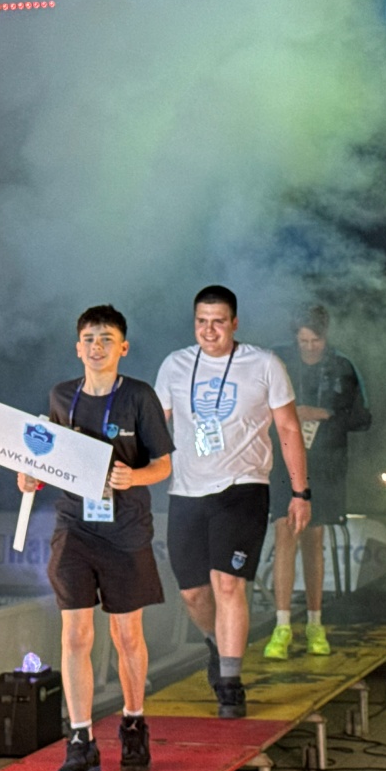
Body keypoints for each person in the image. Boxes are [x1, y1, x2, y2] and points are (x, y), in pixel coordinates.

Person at [17, 305, 174, 771]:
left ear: (123, 347)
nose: (97, 346)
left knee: (126, 635)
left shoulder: (139, 396)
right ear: (77, 347)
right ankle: (80, 739)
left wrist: (135, 476)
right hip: (75, 527)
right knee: (75, 634)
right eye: (88, 338)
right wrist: (30, 476)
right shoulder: (61, 396)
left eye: (106, 339)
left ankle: (133, 723)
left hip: (125, 529)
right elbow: (49, 457)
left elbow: (164, 465)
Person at [155, 285, 310, 718]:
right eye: (202, 322)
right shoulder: (175, 364)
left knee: (228, 583)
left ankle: (230, 682)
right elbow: (151, 425)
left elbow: (289, 429)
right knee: (192, 593)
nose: (209, 330)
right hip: (186, 490)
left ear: (234, 323)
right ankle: (216, 644)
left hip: (243, 488)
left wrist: (300, 492)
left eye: (218, 322)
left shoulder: (263, 364)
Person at [263, 305, 371, 660]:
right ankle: (282, 625)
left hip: (325, 465)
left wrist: (324, 414)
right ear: (295, 338)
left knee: (314, 537)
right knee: (284, 531)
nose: (310, 347)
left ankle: (314, 622)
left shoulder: (342, 367)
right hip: (283, 463)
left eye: (316, 341)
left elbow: (363, 417)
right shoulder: (277, 360)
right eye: (304, 341)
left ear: (326, 337)